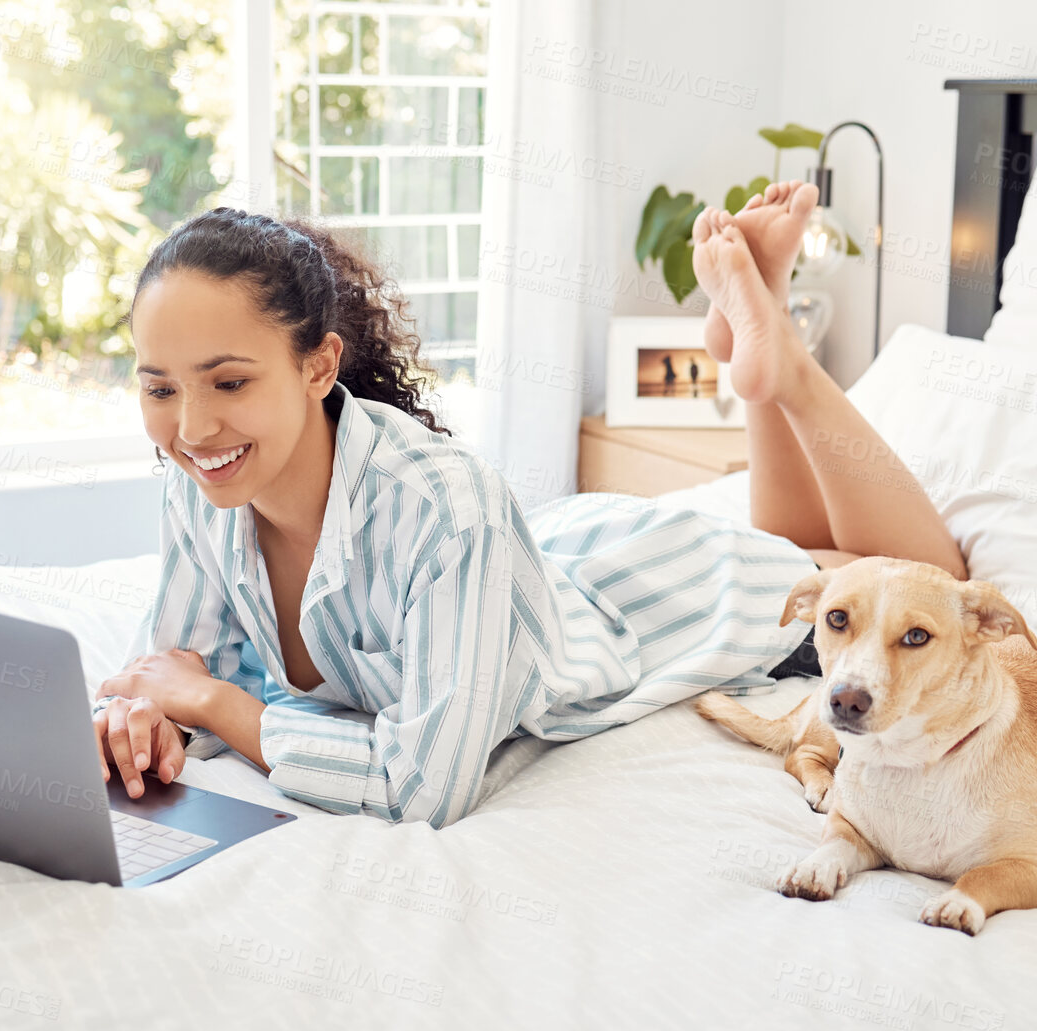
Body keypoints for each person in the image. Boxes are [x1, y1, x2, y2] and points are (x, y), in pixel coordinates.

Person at [92, 192, 961, 829]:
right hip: (558, 560)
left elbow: (422, 788)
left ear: (319, 367)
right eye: (159, 387)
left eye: (229, 381)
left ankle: (786, 372)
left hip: (660, 603)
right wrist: (140, 721)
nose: (192, 426)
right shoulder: (200, 482)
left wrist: (213, 706)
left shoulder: (445, 509)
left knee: (937, 584)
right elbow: (165, 666)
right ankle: (761, 335)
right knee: (796, 544)